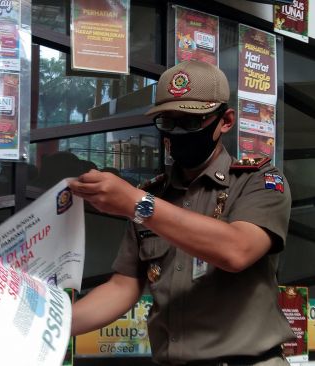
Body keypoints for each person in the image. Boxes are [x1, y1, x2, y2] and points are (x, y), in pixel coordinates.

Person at [69, 60, 294, 365]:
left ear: (225, 121)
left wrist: (137, 203)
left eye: (191, 122)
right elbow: (123, 287)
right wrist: (48, 326)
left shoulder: (259, 180)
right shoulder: (155, 194)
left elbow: (237, 250)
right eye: (168, 122)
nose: (177, 132)